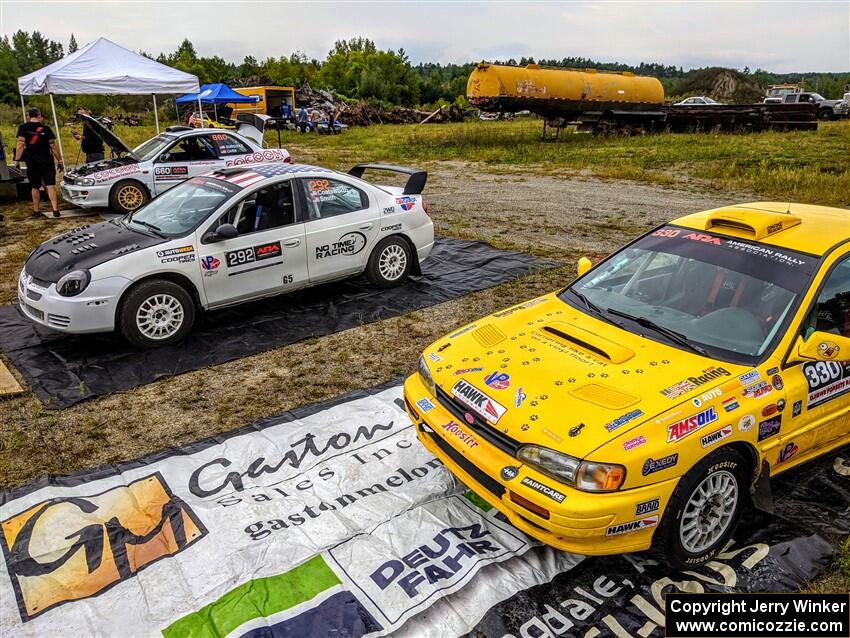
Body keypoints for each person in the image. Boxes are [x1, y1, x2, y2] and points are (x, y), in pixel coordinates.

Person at [15, 108, 63, 218]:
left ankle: (36, 211)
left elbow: (21, 144)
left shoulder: (23, 127)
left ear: (29, 116)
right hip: (47, 160)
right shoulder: (46, 128)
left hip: (32, 161)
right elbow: (53, 146)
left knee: (34, 186)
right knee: (50, 185)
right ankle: (55, 210)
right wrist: (59, 160)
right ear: (39, 115)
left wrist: (17, 159)